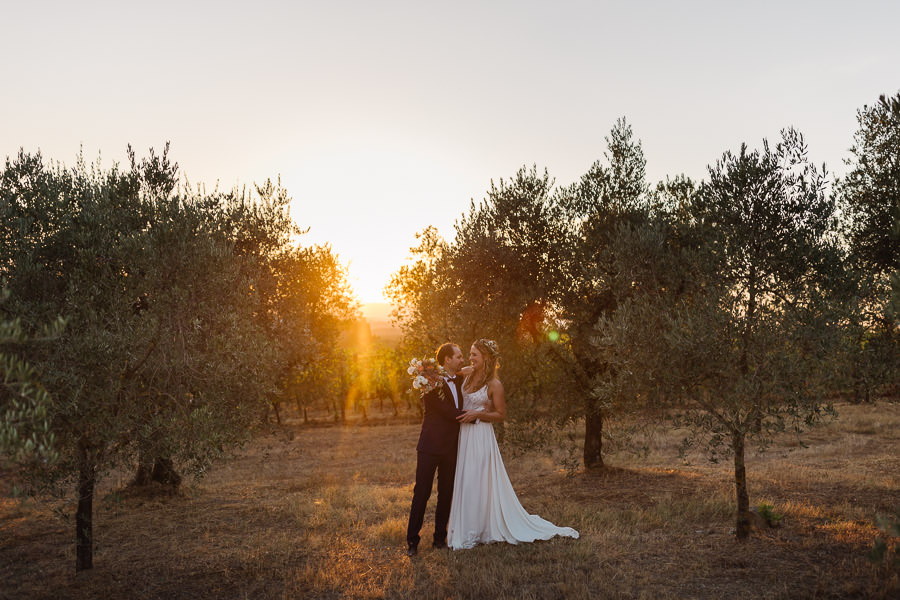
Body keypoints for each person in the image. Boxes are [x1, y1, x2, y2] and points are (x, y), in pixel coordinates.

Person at [447, 339, 579, 550]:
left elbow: (500, 415)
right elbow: (447, 376)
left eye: (474, 355)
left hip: (480, 435)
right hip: (464, 436)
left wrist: (478, 413)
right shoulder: (466, 373)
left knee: (476, 479)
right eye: (470, 354)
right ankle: (464, 526)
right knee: (465, 479)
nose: (470, 358)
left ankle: (477, 529)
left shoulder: (494, 385)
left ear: (486, 358)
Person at [405, 342, 466, 557]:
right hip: (430, 446)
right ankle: (412, 541)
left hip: (451, 447)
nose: (462, 359)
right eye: (458, 356)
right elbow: (445, 411)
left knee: (446, 493)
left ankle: (439, 539)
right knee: (421, 493)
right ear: (447, 359)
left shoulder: (459, 379)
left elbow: (475, 372)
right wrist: (473, 416)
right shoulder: (429, 382)